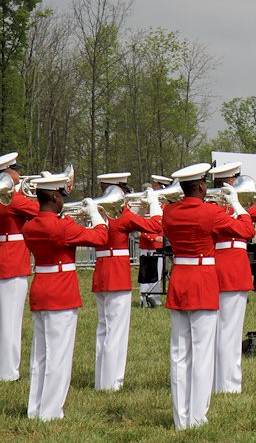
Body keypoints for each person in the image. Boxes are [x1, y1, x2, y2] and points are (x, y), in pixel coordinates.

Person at [163, 163, 254, 430]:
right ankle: (197, 417)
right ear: (202, 186)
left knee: (179, 353)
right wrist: (237, 205)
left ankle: (181, 419)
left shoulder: (169, 212)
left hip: (179, 280)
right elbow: (246, 231)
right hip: (202, 282)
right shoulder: (211, 212)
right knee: (202, 354)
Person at [22, 173, 108, 421]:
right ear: (53, 196)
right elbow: (101, 237)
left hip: (40, 289)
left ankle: (35, 408)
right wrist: (94, 214)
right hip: (61, 292)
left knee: (40, 355)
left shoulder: (30, 226)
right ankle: (50, 412)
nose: (63, 200)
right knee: (58, 355)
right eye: (61, 196)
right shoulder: (62, 227)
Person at [209, 162, 256, 394]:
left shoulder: (210, 208)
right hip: (234, 267)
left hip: (212, 266)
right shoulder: (242, 209)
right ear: (231, 182)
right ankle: (229, 384)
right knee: (231, 330)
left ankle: (211, 379)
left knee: (213, 328)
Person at [91, 172, 162, 392]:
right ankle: (112, 383)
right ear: (118, 190)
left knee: (103, 329)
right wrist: (154, 203)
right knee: (116, 331)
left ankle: (101, 380)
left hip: (101, 272)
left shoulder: (96, 212)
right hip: (117, 274)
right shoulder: (122, 215)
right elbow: (156, 225)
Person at [0, 152, 39, 381]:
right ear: (7, 172)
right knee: (11, 320)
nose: (20, 175)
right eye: (17, 171)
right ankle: (8, 372)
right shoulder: (11, 199)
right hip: (12, 263)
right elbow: (41, 210)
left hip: (6, 260)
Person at [138, 174, 172, 307]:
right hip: (148, 244)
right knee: (147, 273)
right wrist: (152, 238)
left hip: (160, 244)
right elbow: (143, 224)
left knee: (158, 273)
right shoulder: (148, 204)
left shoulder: (164, 204)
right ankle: (145, 299)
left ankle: (155, 298)